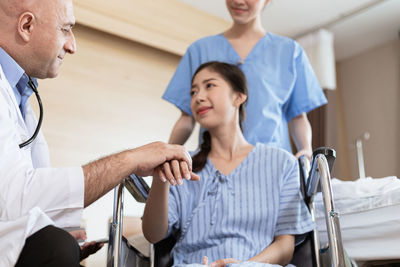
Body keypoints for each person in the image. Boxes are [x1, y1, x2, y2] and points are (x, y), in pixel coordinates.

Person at [0, 0, 198, 266]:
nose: (72, 45)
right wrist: (130, 160)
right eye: (65, 29)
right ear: (26, 26)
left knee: (59, 244)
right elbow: (16, 199)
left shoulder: (21, 100)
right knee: (55, 247)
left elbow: (28, 200)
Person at [142, 62, 314, 266]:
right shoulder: (182, 165)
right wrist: (160, 178)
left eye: (209, 86)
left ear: (238, 97)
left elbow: (285, 248)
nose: (198, 97)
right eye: (193, 92)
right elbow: (153, 234)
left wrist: (243, 265)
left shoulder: (281, 163)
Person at [163, 0, 327, 160]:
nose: (238, 1)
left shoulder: (289, 51)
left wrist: (306, 150)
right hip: (215, 163)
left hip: (272, 162)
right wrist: (167, 154)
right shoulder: (200, 50)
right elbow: (187, 117)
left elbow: (298, 116)